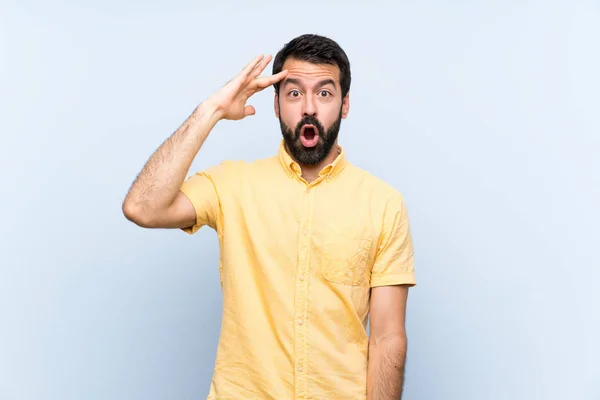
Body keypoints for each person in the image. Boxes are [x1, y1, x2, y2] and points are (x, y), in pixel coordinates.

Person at [122, 33, 416, 400]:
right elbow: (142, 207)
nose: (309, 108)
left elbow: (388, 338)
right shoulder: (232, 184)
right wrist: (210, 110)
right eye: (294, 93)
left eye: (324, 93)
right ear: (276, 104)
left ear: (345, 105)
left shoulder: (383, 203)